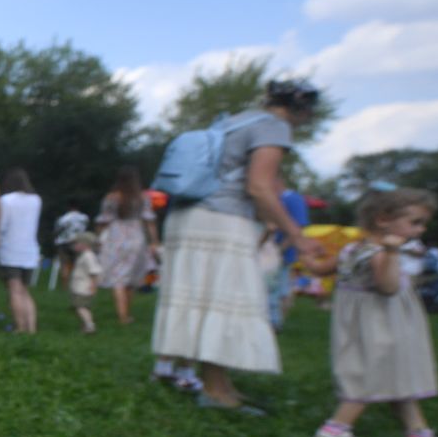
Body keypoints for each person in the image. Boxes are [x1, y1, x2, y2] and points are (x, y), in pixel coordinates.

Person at [150, 79, 327, 413]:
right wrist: (297, 236)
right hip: (222, 222)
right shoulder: (274, 128)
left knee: (200, 299)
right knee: (225, 301)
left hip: (186, 215)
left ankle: (213, 382)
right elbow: (260, 187)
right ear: (303, 110)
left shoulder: (232, 121)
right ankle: (216, 391)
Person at [314, 188, 438, 437]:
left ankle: (419, 433)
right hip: (382, 327)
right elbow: (388, 287)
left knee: (398, 375)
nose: (421, 230)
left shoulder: (352, 249)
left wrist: (310, 258)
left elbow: (321, 269)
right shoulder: (380, 253)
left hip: (369, 326)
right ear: (383, 220)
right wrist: (391, 253)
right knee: (373, 375)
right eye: (415, 222)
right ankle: (335, 429)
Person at [95, 166, 159, 326]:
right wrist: (154, 241)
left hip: (116, 236)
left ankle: (122, 315)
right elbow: (149, 221)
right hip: (136, 236)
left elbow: (103, 220)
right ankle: (127, 313)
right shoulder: (143, 198)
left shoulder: (111, 198)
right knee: (131, 277)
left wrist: (97, 237)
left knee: (117, 277)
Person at [0, 167, 42, 334]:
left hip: (11, 249)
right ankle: (32, 327)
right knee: (25, 291)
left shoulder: (6, 200)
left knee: (15, 290)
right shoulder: (36, 200)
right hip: (30, 250)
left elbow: (2, 225)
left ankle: (20, 326)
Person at [268, 185, 311, 330]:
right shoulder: (276, 197)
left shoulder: (292, 198)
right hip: (271, 252)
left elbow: (297, 228)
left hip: (282, 253)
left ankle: (276, 321)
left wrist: (280, 250)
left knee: (280, 287)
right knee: (276, 286)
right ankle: (274, 320)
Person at [70, 232, 102, 333]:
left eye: (76, 243)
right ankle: (85, 325)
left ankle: (89, 325)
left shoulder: (88, 256)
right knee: (84, 307)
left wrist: (93, 286)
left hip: (84, 288)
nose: (74, 246)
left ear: (84, 244)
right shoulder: (84, 255)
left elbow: (94, 272)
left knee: (81, 307)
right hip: (80, 287)